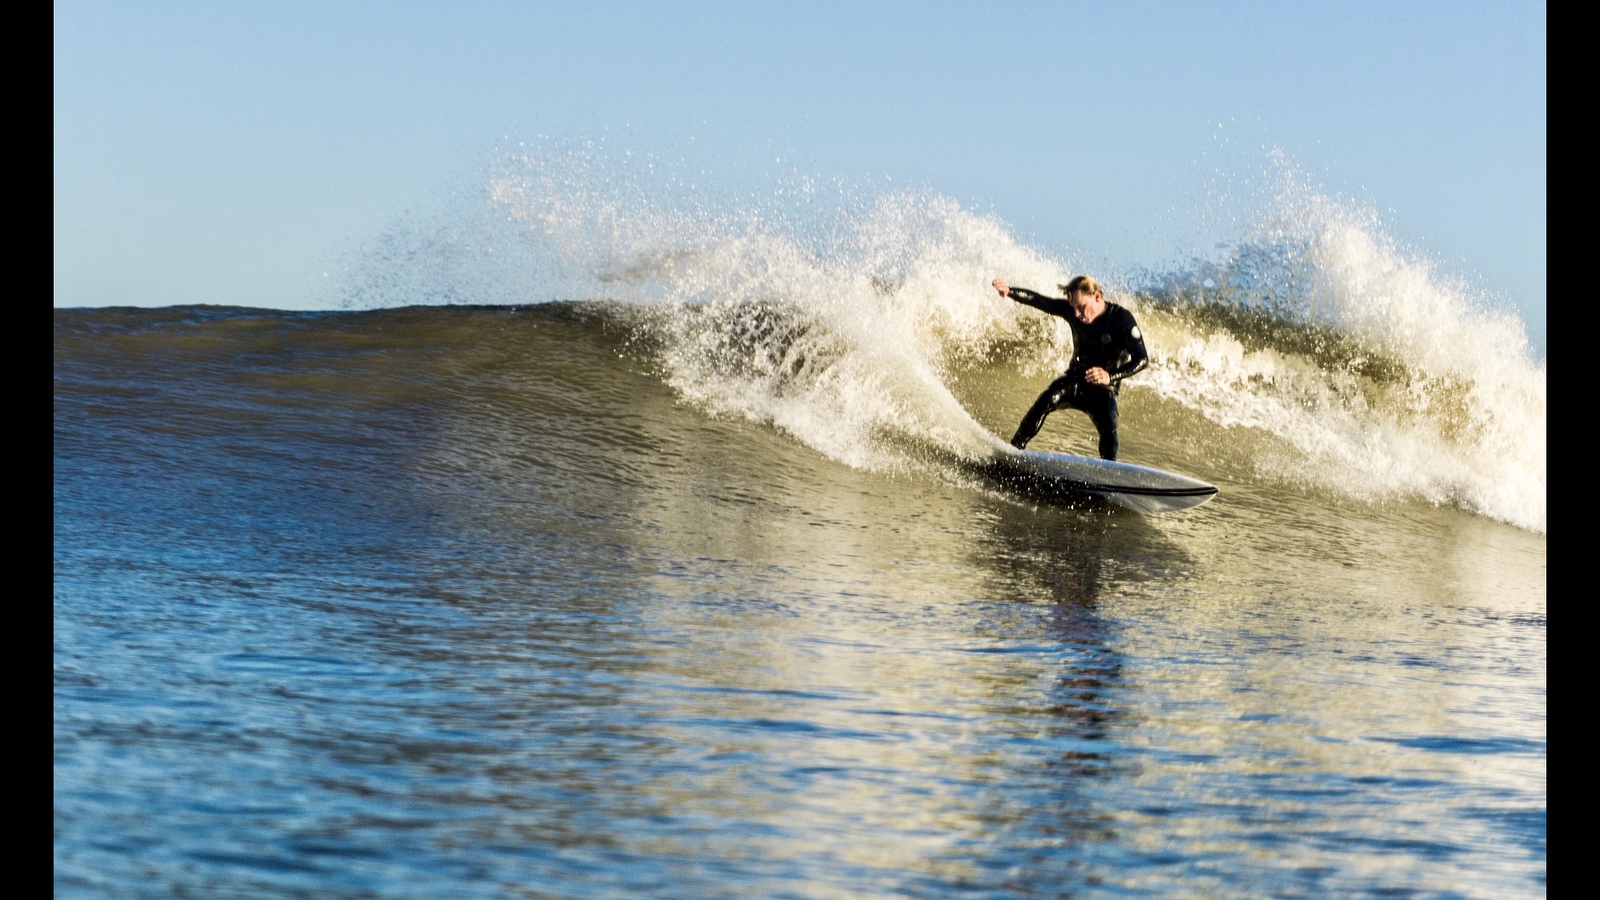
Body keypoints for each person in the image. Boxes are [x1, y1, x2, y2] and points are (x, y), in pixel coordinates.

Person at [991, 275, 1148, 460]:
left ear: (1097, 297)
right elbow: (1041, 301)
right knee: (1046, 399)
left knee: (1109, 426)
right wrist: (1010, 291)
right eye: (1073, 308)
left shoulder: (1121, 319)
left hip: (1104, 390)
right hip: (1075, 380)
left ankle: (1109, 473)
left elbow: (1142, 359)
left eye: (1081, 307)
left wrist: (1110, 376)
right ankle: (1014, 451)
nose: (1077, 314)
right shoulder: (1073, 312)